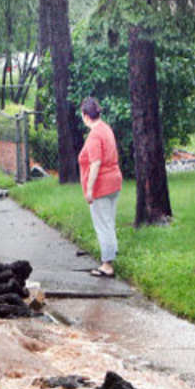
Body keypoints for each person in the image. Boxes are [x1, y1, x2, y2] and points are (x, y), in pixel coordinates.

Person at [78, 97, 123, 278]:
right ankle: (111, 252)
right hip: (114, 181)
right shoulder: (106, 128)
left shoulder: (95, 135)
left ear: (85, 115)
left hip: (102, 186)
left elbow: (95, 163)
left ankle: (107, 265)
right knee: (109, 221)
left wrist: (89, 190)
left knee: (102, 225)